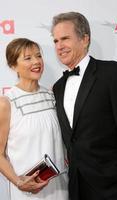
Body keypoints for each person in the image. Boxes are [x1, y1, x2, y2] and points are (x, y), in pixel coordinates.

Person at [51, 11, 117, 200]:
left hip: (116, 187)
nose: (59, 46)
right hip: (77, 187)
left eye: (65, 38)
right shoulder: (58, 87)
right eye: (55, 41)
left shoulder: (113, 73)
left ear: (84, 39)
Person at [0, 38, 68, 200]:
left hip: (60, 186)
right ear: (13, 65)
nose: (37, 62)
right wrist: (18, 182)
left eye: (38, 56)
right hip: (28, 191)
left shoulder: (52, 96)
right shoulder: (6, 103)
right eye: (28, 58)